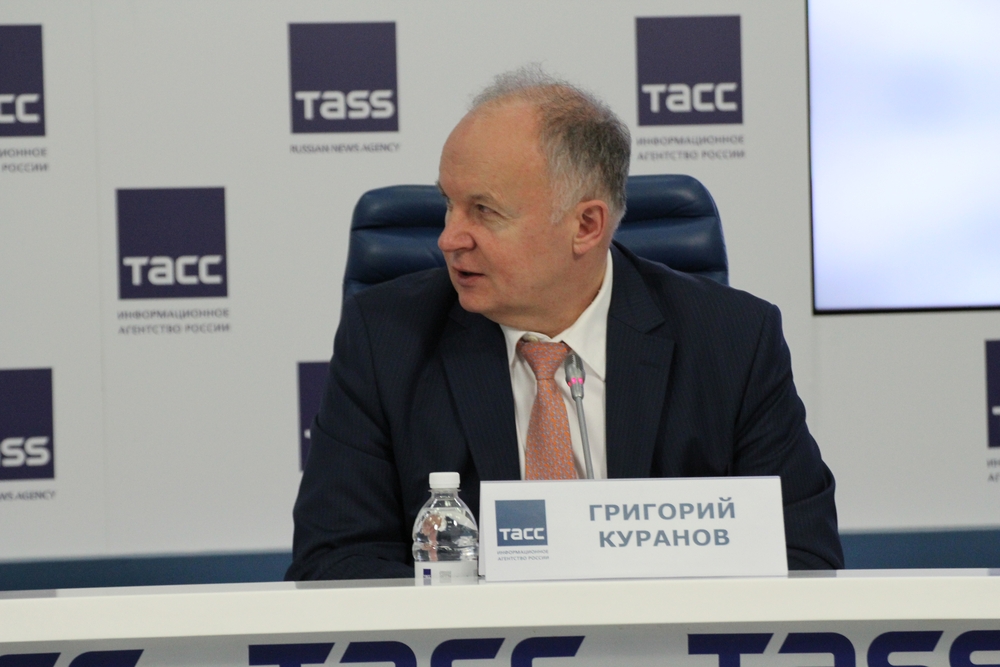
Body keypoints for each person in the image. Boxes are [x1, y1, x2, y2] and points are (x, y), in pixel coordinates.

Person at [287, 67, 843, 580]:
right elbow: (333, 561)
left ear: (586, 226)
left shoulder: (732, 340)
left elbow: (802, 557)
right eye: (448, 205)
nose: (448, 238)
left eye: (484, 211)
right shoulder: (386, 338)